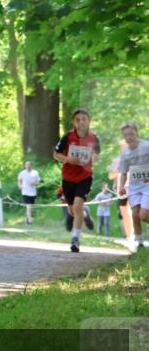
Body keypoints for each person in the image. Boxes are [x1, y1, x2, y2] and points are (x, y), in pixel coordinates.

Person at [53, 108, 101, 253]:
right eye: (78, 120)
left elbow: (97, 155)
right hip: (68, 178)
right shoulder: (68, 137)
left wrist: (93, 158)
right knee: (73, 211)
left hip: (85, 177)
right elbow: (55, 154)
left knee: (78, 205)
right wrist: (68, 159)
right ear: (74, 122)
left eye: (84, 119)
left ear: (89, 121)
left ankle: (75, 239)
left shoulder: (94, 138)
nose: (81, 122)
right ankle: (85, 216)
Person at [117, 122, 149, 250]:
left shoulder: (146, 146)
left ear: (137, 133)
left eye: (131, 134)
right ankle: (139, 242)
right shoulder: (125, 154)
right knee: (135, 215)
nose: (129, 137)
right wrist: (121, 186)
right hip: (134, 187)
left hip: (147, 185)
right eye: (126, 135)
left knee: (143, 215)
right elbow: (123, 173)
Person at [109, 142, 135, 244]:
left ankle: (132, 235)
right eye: (123, 148)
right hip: (121, 190)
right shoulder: (116, 160)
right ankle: (129, 236)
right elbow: (111, 176)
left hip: (133, 189)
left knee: (130, 211)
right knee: (124, 213)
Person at [16, 160, 41, 225]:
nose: (28, 166)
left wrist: (34, 183)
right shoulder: (22, 173)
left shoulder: (35, 172)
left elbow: (38, 182)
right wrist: (20, 186)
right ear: (25, 166)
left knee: (30, 207)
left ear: (31, 165)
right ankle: (30, 221)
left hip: (33, 192)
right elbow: (19, 180)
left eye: (29, 165)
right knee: (28, 206)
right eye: (26, 165)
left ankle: (27, 220)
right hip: (25, 192)